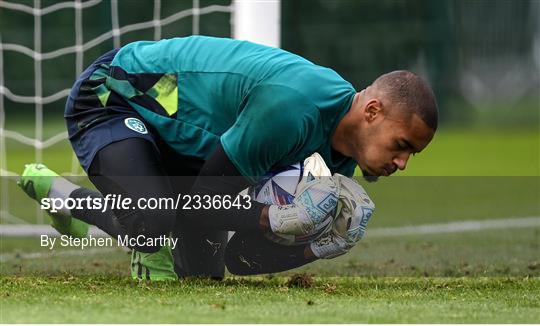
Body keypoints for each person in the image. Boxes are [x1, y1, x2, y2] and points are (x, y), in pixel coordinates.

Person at [19, 36, 438, 280]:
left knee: (200, 273)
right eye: (402, 145)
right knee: (156, 223)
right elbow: (208, 203)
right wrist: (273, 217)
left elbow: (243, 258)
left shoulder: (337, 161)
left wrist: (317, 247)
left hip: (188, 144)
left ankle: (71, 202)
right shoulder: (293, 108)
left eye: (411, 155)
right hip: (116, 95)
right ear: (372, 112)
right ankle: (113, 211)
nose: (402, 163)